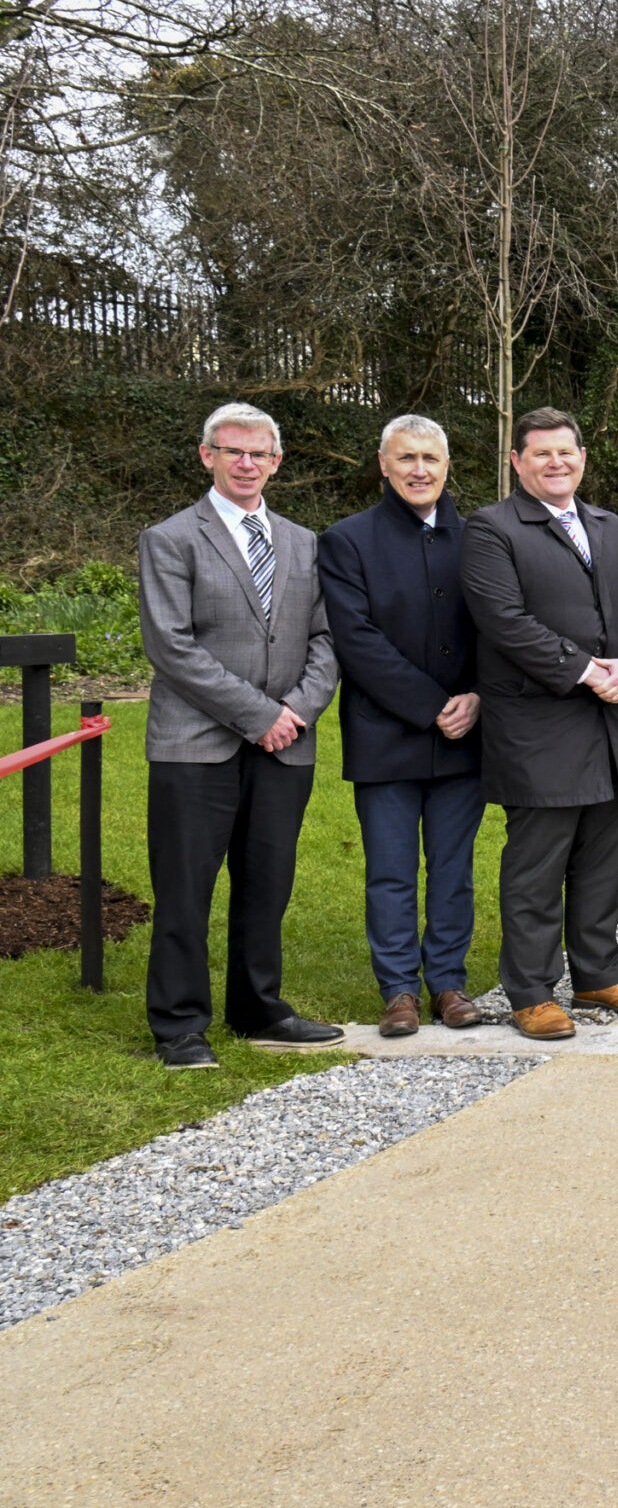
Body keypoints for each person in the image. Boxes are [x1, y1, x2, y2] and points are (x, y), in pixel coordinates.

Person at [137, 403, 344, 1069]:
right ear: (208, 455)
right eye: (234, 451)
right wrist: (259, 714)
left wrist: (298, 710)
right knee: (185, 889)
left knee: (267, 884)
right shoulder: (170, 538)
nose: (247, 463)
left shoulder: (304, 543)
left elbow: (327, 638)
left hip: (286, 744)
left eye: (260, 453)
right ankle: (179, 1025)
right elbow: (171, 646)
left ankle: (259, 1008)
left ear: (276, 462)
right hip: (195, 744)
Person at [461, 407, 618, 1041]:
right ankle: (530, 992)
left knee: (602, 863)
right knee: (536, 870)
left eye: (566, 452)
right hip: (538, 727)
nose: (556, 462)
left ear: (582, 458)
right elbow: (503, 620)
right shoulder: (491, 529)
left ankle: (598, 975)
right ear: (517, 461)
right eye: (541, 453)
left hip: (613, 727)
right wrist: (585, 670)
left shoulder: (608, 526)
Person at [316, 414, 484, 1038]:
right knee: (390, 872)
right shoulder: (347, 540)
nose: (419, 470)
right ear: (384, 466)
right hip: (385, 733)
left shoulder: (480, 537)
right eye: (406, 458)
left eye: (430, 458)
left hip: (466, 733)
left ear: (447, 467)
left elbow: (500, 626)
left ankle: (448, 983)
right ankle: (398, 991)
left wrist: (477, 696)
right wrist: (431, 705)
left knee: (452, 869)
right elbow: (355, 639)